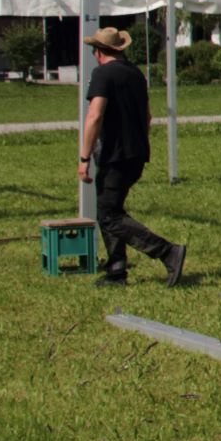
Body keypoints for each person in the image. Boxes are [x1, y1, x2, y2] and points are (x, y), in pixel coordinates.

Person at [79, 27, 185, 285]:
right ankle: (116, 270)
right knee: (111, 209)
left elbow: (95, 115)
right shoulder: (136, 73)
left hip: (114, 154)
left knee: (108, 215)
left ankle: (167, 252)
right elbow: (147, 116)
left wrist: (84, 158)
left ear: (98, 52)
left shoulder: (102, 74)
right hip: (136, 152)